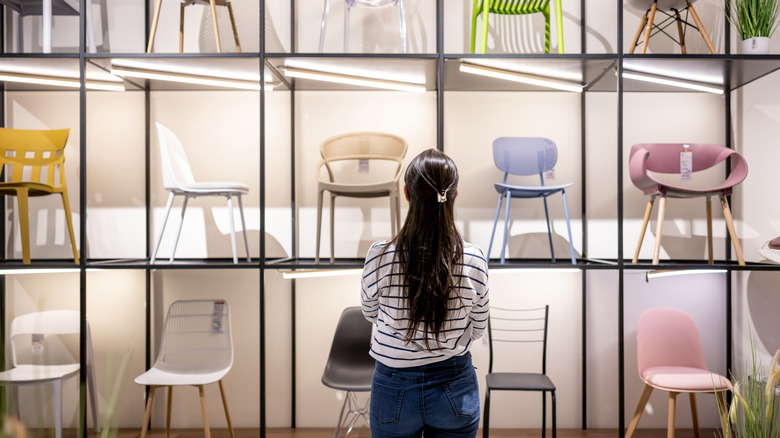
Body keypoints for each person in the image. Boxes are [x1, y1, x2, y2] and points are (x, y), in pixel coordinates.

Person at [361, 148, 490, 438]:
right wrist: (448, 340)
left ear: (407, 194)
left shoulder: (379, 255)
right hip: (454, 384)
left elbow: (370, 311)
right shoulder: (474, 258)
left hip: (393, 386)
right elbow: (479, 326)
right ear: (455, 195)